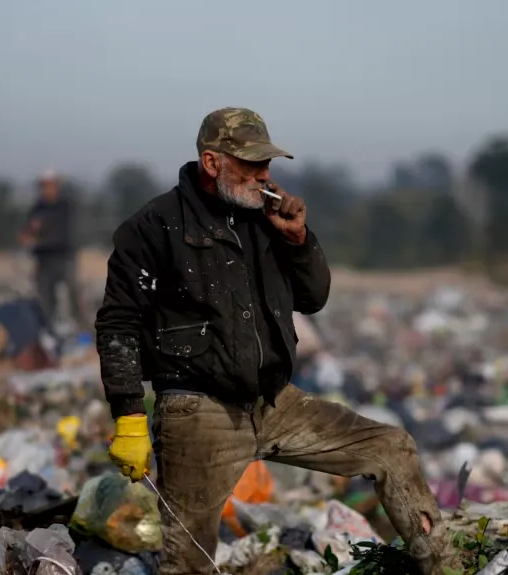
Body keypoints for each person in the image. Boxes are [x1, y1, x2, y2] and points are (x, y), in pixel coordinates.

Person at [94, 108, 460, 575]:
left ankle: (446, 567)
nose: (265, 175)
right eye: (251, 165)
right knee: (189, 561)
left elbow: (314, 298)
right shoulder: (153, 227)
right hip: (199, 413)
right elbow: (118, 323)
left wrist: (298, 240)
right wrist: (128, 417)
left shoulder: (265, 218)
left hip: (273, 402)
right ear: (212, 162)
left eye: (267, 164)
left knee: (391, 447)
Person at [18, 170, 84, 328]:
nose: (46, 190)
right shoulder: (37, 208)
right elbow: (28, 230)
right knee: (45, 297)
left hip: (62, 257)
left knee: (71, 293)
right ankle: (48, 328)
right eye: (44, 186)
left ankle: (82, 326)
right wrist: (27, 235)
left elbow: (62, 233)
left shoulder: (65, 207)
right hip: (43, 260)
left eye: (50, 186)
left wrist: (39, 236)